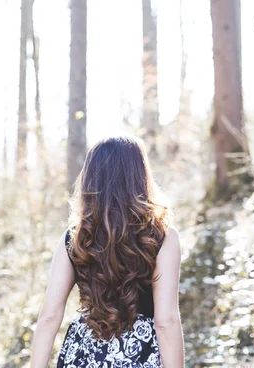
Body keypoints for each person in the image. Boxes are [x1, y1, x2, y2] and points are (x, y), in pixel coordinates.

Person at [30, 136, 184, 368]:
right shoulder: (163, 237)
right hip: (139, 356)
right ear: (140, 177)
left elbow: (49, 317)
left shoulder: (75, 238)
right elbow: (166, 321)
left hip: (82, 354)